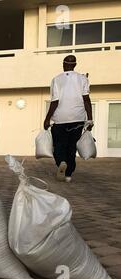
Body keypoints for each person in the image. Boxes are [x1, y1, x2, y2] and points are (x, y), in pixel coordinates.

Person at [44, 55, 94, 183]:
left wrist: (47, 118)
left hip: (60, 119)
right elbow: (86, 100)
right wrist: (90, 119)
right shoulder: (83, 79)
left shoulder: (56, 79)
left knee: (59, 145)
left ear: (63, 64)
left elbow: (55, 101)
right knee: (71, 147)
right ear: (75, 65)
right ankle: (68, 174)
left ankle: (61, 162)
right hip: (77, 119)